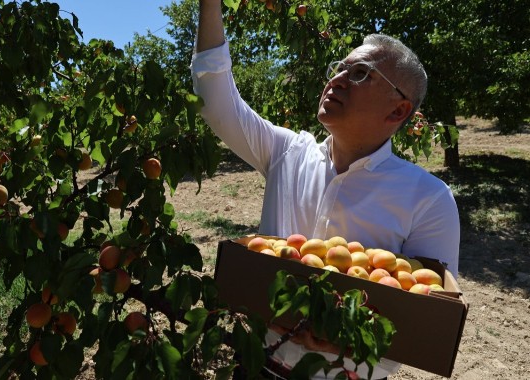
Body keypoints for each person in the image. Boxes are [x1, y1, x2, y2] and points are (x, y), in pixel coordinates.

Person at [191, 0, 460, 379]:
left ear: (398, 111)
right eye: (339, 68)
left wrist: (346, 342)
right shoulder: (286, 152)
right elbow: (216, 100)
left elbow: (426, 319)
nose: (336, 79)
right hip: (258, 364)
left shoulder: (428, 199)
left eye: (361, 73)